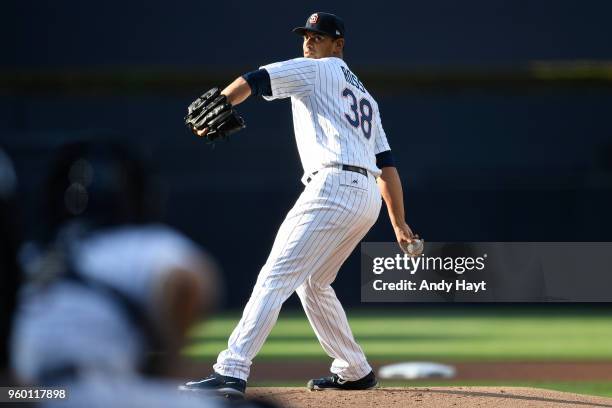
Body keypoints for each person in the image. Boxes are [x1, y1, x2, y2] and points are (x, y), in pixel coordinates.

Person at [181, 12, 418, 398]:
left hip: (333, 187)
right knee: (314, 283)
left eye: (319, 36)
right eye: (306, 35)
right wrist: (398, 222)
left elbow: (255, 79)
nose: (309, 42)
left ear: (337, 45)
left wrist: (222, 100)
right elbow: (386, 165)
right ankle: (354, 370)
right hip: (365, 198)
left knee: (275, 277)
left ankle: (231, 370)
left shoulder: (318, 70)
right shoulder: (366, 99)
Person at [10, 140, 231, 407]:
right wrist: (168, 362)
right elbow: (188, 282)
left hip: (35, 394)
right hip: (103, 392)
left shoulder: (34, 254)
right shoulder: (139, 242)